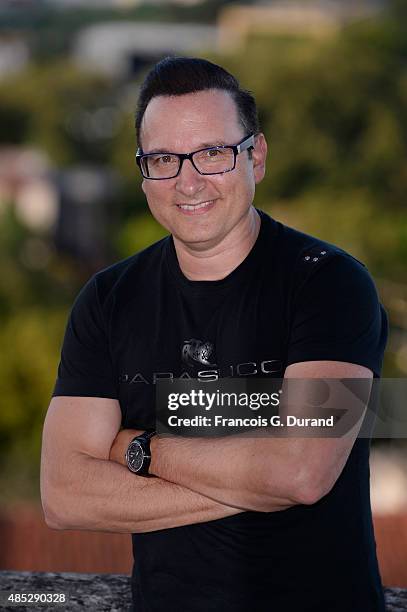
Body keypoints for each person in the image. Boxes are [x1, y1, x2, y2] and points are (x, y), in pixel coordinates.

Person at [40, 57, 388, 612]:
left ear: (257, 156)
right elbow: (63, 496)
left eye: (212, 153)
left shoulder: (331, 284)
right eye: (163, 159)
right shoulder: (108, 300)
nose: (188, 180)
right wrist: (257, 478)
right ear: (142, 172)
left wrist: (138, 448)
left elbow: (302, 472)